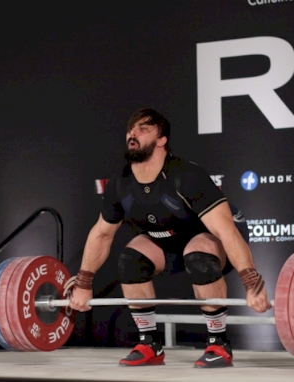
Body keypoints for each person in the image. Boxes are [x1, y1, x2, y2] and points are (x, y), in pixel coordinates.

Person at [68, 108, 271, 368]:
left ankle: (219, 343)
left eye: (143, 129)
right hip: (169, 241)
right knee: (131, 259)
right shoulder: (120, 184)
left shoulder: (186, 176)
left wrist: (251, 283)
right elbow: (102, 234)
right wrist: (84, 282)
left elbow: (225, 231)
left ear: (161, 140)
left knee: (198, 255)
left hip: (214, 238)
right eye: (131, 129)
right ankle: (149, 343)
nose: (133, 133)